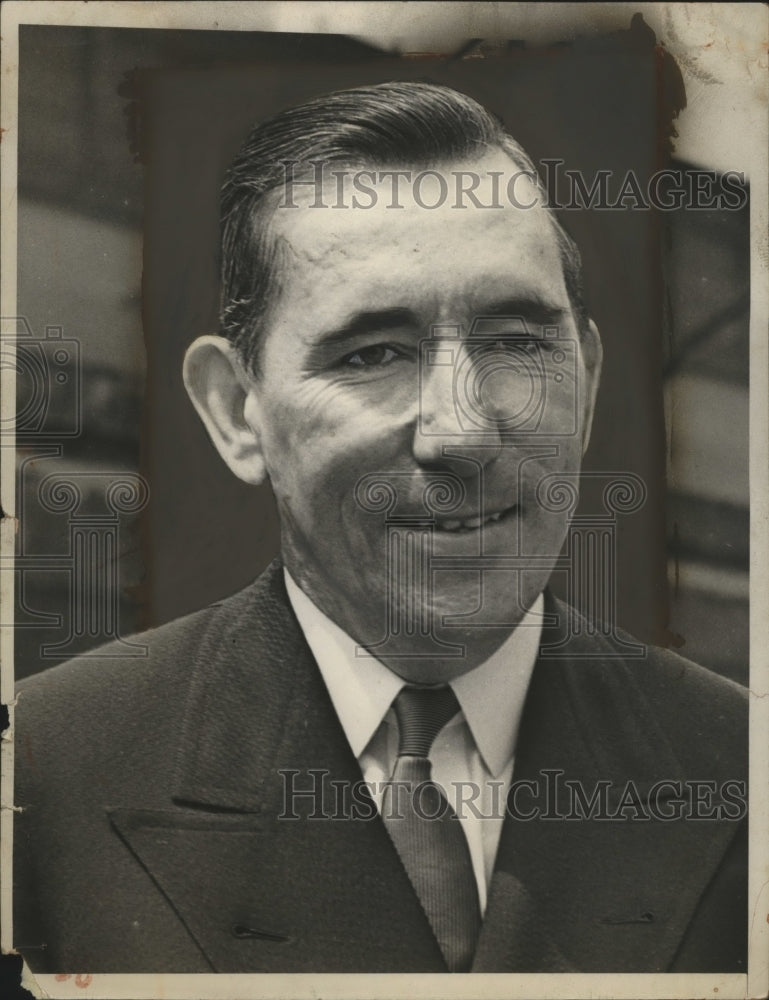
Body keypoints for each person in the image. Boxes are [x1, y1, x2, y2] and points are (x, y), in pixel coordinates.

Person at [13, 82, 747, 974]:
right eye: (373, 354)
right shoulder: (45, 776)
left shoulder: (740, 771)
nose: (462, 431)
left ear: (586, 383)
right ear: (238, 413)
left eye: (517, 343)